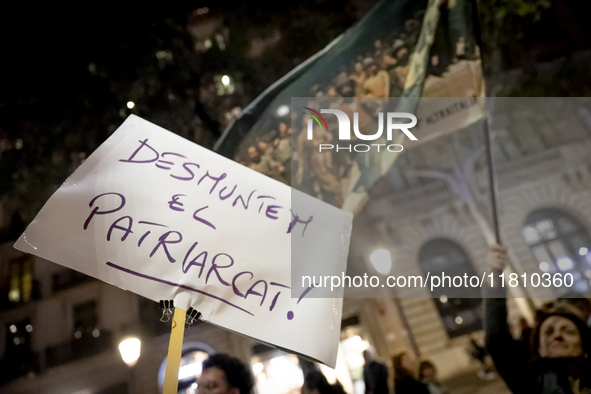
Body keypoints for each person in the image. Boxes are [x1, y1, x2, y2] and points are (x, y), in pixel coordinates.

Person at [485, 244, 591, 393]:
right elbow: (497, 341)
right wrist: (496, 278)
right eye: (548, 332)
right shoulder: (530, 383)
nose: (557, 335)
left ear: (584, 345)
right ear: (539, 348)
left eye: (568, 331)